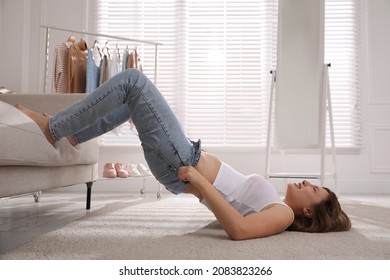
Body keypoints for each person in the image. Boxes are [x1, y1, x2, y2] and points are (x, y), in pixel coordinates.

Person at [16, 69, 351, 240]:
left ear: (309, 208)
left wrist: (198, 180)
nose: (309, 181)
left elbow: (241, 231)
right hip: (184, 159)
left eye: (315, 188)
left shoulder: (285, 215)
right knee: (130, 101)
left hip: (184, 163)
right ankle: (72, 133)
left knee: (134, 81)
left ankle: (55, 129)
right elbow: (237, 214)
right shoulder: (276, 205)